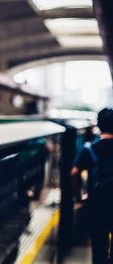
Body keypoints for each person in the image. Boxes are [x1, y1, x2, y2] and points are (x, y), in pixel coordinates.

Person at [71, 107, 113, 263]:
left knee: (99, 248)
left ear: (99, 125)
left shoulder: (90, 149)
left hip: (97, 204)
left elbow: (74, 173)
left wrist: (79, 196)